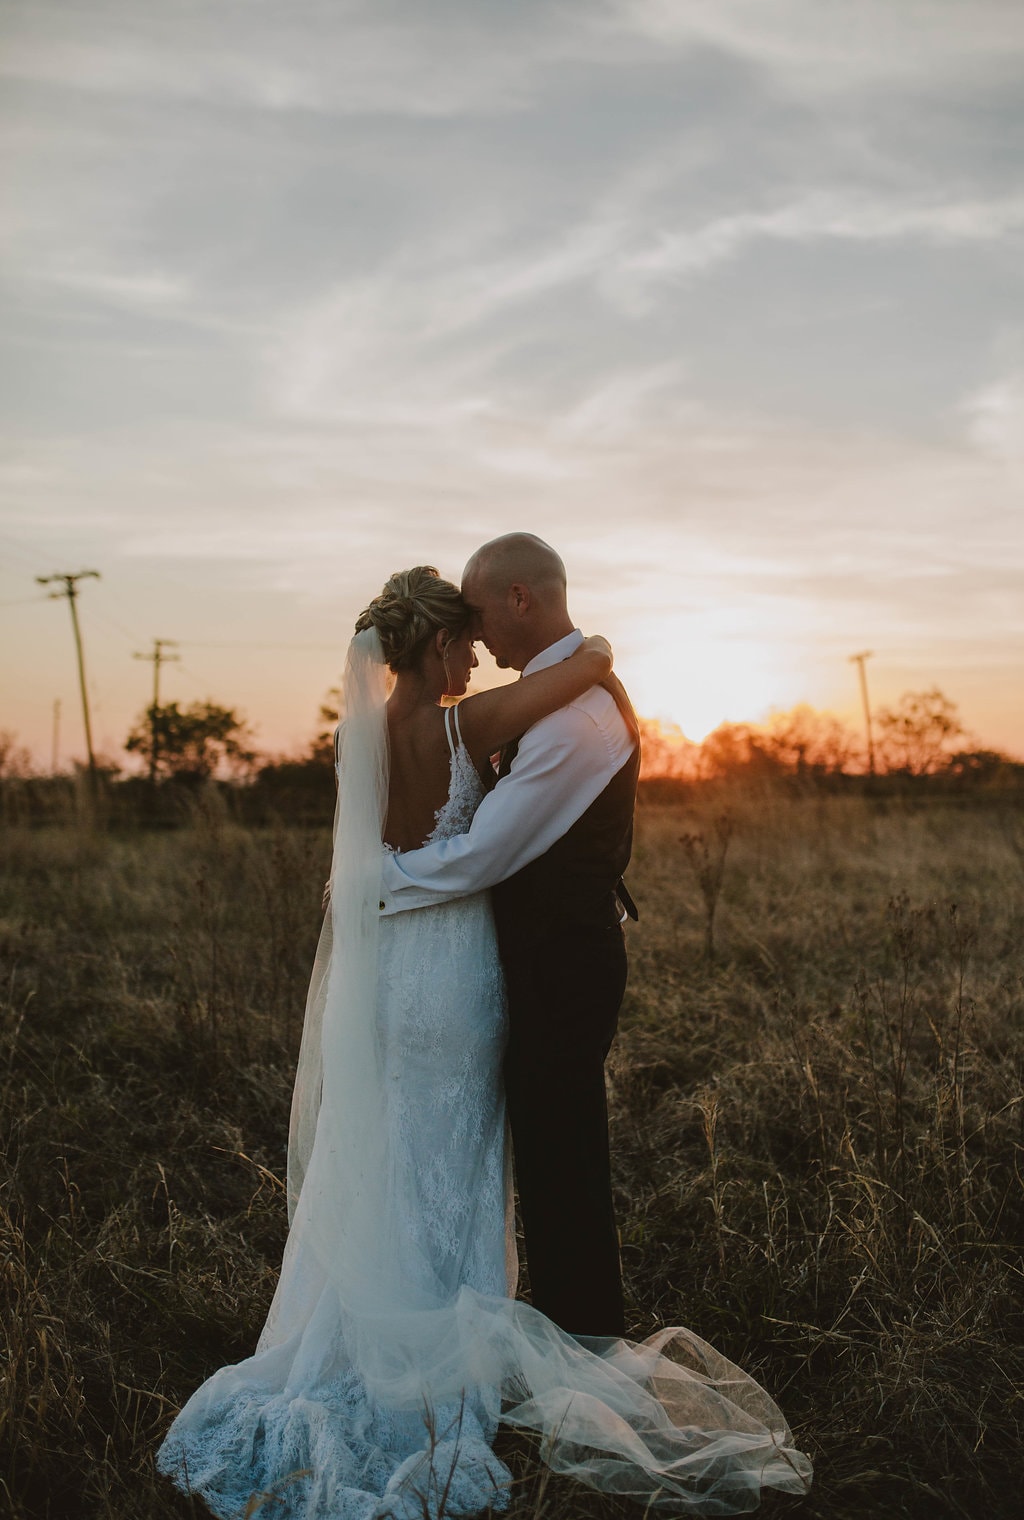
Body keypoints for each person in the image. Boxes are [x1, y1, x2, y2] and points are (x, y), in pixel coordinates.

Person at [157, 564, 812, 1520]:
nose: (475, 652)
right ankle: (441, 1366)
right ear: (434, 646)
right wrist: (598, 649)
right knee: (458, 1155)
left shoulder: (364, 735)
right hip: (455, 969)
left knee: (390, 1150)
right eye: (463, 639)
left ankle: (363, 1336)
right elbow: (571, 679)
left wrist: (375, 886)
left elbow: (373, 849)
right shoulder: (464, 725)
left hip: (387, 974)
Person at [380, 533, 639, 1338]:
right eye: (460, 622)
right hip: (518, 956)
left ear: (520, 598)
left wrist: (372, 883)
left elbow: (487, 854)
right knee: (542, 1145)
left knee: (560, 1155)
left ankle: (582, 1335)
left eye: (482, 609)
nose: (478, 629)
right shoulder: (547, 696)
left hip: (560, 962)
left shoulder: (573, 720)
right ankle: (553, 1319)